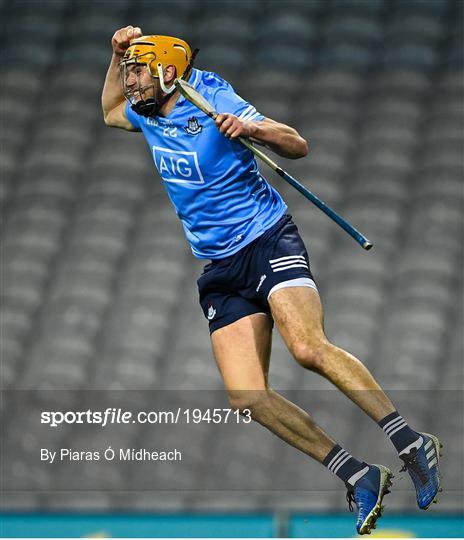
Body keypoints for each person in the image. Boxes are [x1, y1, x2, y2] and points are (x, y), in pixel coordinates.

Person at [102, 26, 442, 535]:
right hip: (219, 267)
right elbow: (108, 112)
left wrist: (251, 129)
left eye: (136, 71)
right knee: (246, 397)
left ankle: (410, 441)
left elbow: (297, 145)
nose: (130, 83)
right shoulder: (146, 114)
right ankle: (358, 474)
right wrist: (114, 56)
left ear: (168, 72)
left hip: (267, 240)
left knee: (306, 348)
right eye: (128, 73)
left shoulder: (212, 93)